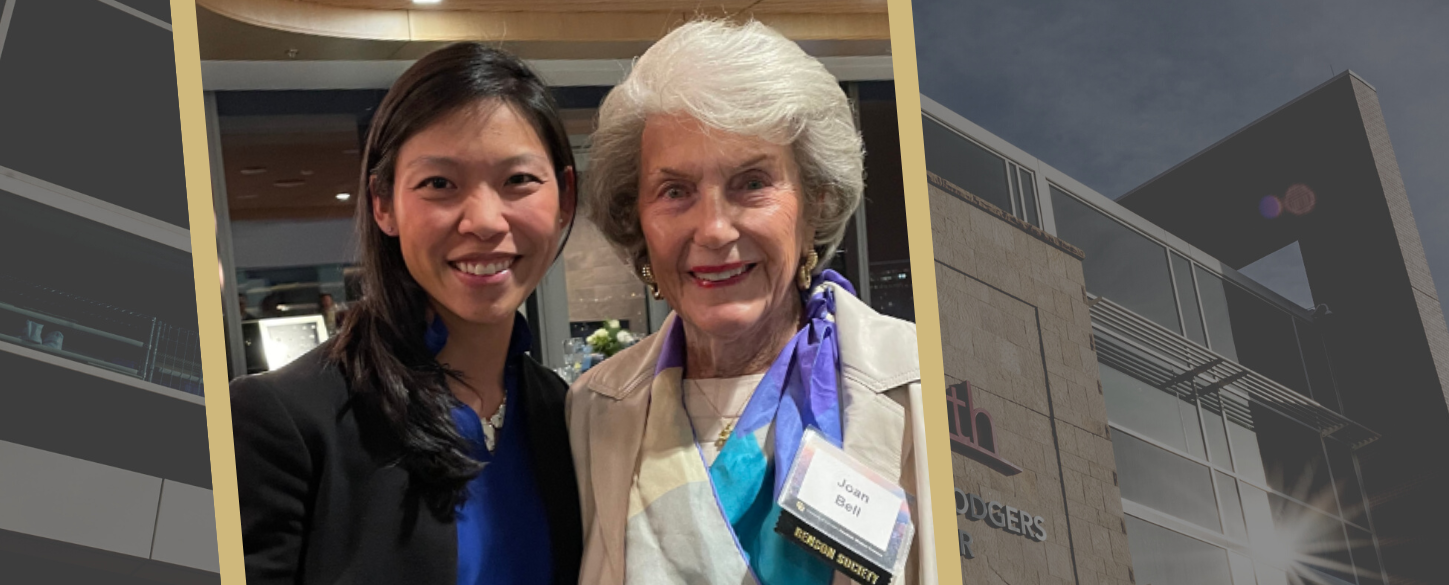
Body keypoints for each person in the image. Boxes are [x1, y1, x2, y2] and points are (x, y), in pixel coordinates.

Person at [570, 19, 931, 585]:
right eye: (674, 191)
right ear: (635, 217)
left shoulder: (923, 384)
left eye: (752, 182)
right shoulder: (590, 409)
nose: (713, 229)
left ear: (816, 201)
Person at [229, 43, 583, 585]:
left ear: (564, 198)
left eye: (518, 181)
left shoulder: (566, 414)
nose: (485, 221)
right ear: (384, 204)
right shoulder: (287, 421)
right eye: (439, 184)